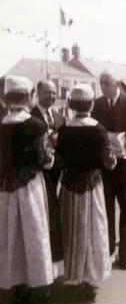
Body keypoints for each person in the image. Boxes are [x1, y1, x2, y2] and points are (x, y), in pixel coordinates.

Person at [0, 75, 56, 304]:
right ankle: (36, 285)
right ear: (29, 96)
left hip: (5, 188)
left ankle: (16, 284)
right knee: (33, 235)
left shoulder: (1, 124)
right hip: (30, 186)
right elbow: (46, 161)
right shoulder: (36, 125)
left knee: (10, 235)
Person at [57, 84, 116, 300]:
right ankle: (89, 278)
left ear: (71, 104)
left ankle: (74, 276)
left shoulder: (64, 130)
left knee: (72, 229)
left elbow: (59, 160)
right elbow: (108, 162)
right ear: (91, 104)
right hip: (92, 185)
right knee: (92, 230)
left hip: (70, 186)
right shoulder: (99, 129)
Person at [91, 70, 126, 269]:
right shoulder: (97, 105)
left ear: (117, 84)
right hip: (106, 168)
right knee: (106, 212)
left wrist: (125, 143)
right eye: (101, 82)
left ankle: (124, 256)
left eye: (107, 82)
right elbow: (93, 130)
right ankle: (108, 252)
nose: (103, 86)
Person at [31, 80, 65, 266]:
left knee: (56, 216)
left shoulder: (60, 118)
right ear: (38, 92)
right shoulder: (30, 117)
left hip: (58, 172)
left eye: (54, 93)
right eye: (47, 92)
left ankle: (56, 258)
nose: (51, 96)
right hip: (39, 175)